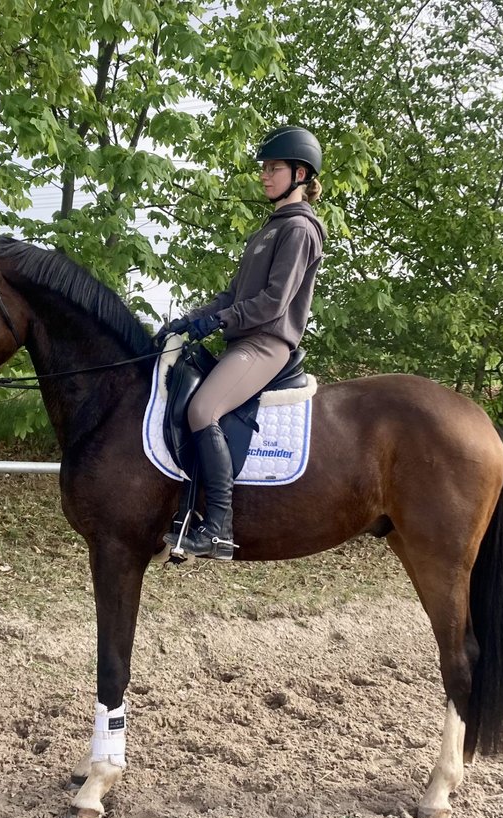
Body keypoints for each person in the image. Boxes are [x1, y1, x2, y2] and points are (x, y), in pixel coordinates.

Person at [156, 125, 327, 560]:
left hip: (265, 343)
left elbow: (273, 303)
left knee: (202, 409)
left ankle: (218, 528)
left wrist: (218, 321)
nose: (265, 176)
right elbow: (232, 295)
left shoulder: (300, 230)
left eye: (274, 168)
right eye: (264, 168)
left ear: (300, 174)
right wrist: (187, 320)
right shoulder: (269, 229)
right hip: (242, 341)